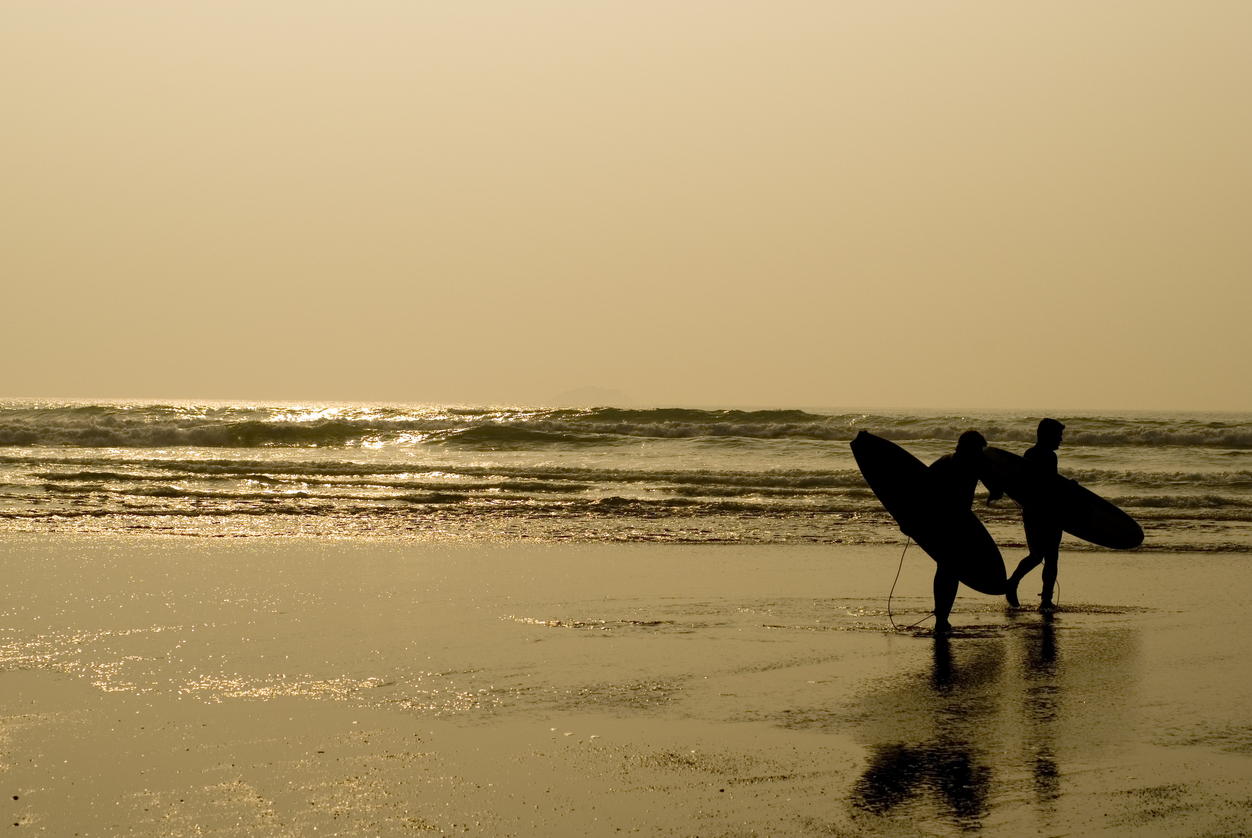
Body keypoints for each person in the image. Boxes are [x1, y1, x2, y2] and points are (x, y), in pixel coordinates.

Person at [927, 429, 999, 633]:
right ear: (974, 449)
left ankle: (941, 616)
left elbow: (921, 489)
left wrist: (912, 521)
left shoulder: (943, 461)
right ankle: (942, 619)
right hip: (957, 522)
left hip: (938, 521)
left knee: (945, 568)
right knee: (951, 569)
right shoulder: (976, 463)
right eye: (981, 450)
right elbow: (995, 488)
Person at [1005, 419, 1065, 610]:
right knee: (1039, 555)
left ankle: (1046, 599)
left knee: (1048, 557)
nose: (1061, 439)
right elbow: (1046, 484)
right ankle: (1013, 584)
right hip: (1039, 512)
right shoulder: (1037, 455)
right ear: (1047, 435)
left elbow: (1050, 483)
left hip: (1046, 511)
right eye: (1058, 435)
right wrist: (1067, 487)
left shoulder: (1040, 454)